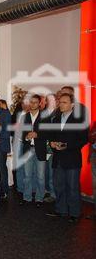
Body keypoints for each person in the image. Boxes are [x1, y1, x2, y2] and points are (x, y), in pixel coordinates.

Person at [47, 93, 88, 223]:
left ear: (72, 105)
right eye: (60, 102)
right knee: (59, 186)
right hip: (58, 158)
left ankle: (75, 213)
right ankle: (61, 210)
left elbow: (83, 139)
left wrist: (67, 145)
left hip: (72, 158)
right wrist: (52, 143)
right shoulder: (56, 119)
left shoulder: (79, 119)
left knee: (72, 187)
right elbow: (52, 136)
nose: (61, 105)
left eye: (64, 102)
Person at [19, 94, 48, 207]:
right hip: (28, 149)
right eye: (31, 102)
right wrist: (26, 137)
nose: (33, 104)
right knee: (27, 175)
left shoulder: (45, 117)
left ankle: (39, 198)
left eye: (35, 102)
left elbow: (48, 133)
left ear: (40, 103)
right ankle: (27, 197)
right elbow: (21, 133)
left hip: (40, 149)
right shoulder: (24, 117)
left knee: (40, 176)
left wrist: (37, 134)